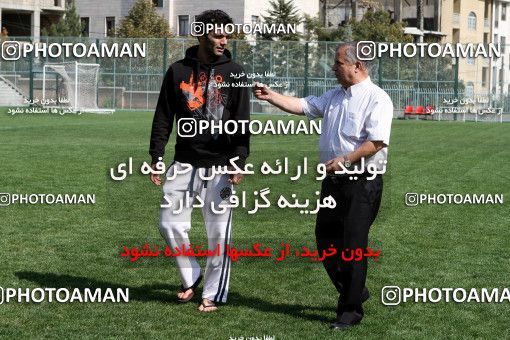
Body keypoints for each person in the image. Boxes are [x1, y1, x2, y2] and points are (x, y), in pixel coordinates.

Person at [253, 41, 393, 329]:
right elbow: (303, 106)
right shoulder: (334, 96)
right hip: (333, 181)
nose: (333, 67)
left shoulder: (377, 98)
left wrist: (345, 160)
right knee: (326, 241)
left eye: (338, 62)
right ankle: (355, 290)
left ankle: (349, 313)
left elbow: (376, 142)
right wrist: (271, 96)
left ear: (358, 65)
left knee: (353, 245)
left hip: (362, 182)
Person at [149, 9, 250, 312]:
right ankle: (190, 274)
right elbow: (163, 117)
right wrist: (156, 155)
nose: (224, 40)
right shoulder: (178, 71)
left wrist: (239, 159)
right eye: (218, 34)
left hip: (220, 165)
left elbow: (242, 120)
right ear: (201, 34)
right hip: (183, 163)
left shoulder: (235, 72)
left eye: (226, 34)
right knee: (169, 224)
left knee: (218, 234)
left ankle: (212, 293)